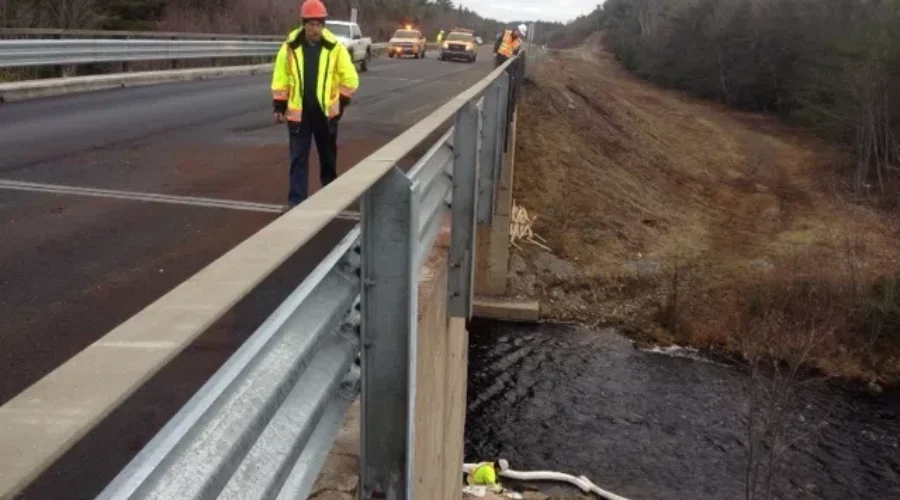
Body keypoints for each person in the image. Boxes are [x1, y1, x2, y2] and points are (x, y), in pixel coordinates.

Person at [271, 0, 359, 208]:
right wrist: (278, 106)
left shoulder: (335, 48)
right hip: (299, 115)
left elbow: (350, 80)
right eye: (310, 24)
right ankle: (296, 202)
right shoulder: (290, 47)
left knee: (327, 158)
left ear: (323, 25)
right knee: (298, 159)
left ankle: (329, 201)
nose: (314, 29)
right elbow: (280, 77)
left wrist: (340, 105)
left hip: (325, 116)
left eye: (318, 24)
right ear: (303, 24)